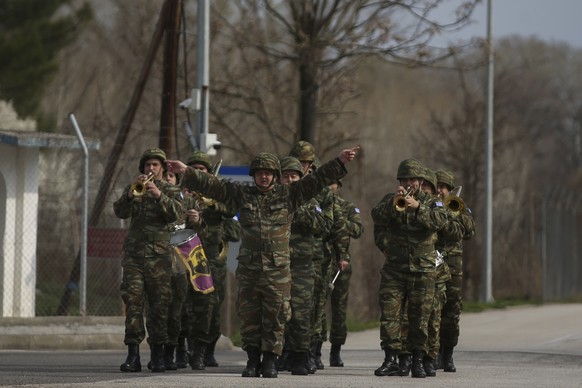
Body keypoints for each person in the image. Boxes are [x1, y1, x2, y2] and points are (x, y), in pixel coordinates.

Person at [166, 146, 358, 378]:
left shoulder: (289, 195)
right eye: (259, 172)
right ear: (253, 175)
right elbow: (213, 186)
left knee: (276, 316)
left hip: (278, 270)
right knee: (250, 316)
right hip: (249, 268)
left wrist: (339, 161)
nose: (264, 176)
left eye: (268, 173)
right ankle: (252, 360)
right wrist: (186, 171)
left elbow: (317, 180)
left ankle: (269, 360)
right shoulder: (242, 195)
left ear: (275, 176)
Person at [371, 158, 462, 378]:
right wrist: (393, 205)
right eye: (404, 178)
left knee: (420, 317)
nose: (409, 182)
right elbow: (377, 218)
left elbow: (443, 223)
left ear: (421, 181)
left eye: (412, 179)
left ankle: (419, 359)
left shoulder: (433, 202)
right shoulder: (391, 200)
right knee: (390, 316)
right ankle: (391, 358)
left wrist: (418, 207)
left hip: (423, 270)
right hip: (394, 268)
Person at [114, 148, 184, 373]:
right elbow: (119, 212)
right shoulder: (134, 188)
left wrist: (158, 195)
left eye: (155, 165)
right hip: (134, 256)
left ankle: (158, 355)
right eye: (147, 165)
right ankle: (133, 355)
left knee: (159, 306)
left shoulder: (171, 190)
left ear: (163, 168)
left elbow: (177, 214)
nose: (150, 168)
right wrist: (128, 196)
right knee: (133, 302)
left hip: (159, 257)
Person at [182, 151, 238, 370]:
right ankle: (186, 349)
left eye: (202, 169)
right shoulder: (180, 195)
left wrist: (211, 212)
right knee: (186, 307)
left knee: (211, 308)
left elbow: (234, 230)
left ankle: (206, 349)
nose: (197, 172)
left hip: (213, 260)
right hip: (186, 258)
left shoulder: (220, 198)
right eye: (193, 168)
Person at [278, 156, 331, 375]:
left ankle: (303, 354)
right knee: (279, 313)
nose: (290, 180)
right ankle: (281, 353)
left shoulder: (311, 201)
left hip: (302, 266)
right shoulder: (270, 200)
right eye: (285, 176)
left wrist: (297, 209)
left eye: (294, 176)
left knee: (301, 313)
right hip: (276, 265)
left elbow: (324, 225)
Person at [435, 169, 476, 373]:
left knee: (451, 312)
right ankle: (434, 353)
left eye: (443, 187)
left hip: (453, 267)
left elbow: (469, 230)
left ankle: (448, 355)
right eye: (437, 187)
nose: (440, 191)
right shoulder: (430, 206)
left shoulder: (459, 207)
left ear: (450, 190)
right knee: (433, 310)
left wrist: (456, 212)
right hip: (434, 264)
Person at [327, 180, 364, 367]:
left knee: (339, 310)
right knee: (313, 310)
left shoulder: (348, 207)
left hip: (339, 264)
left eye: (332, 183)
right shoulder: (317, 203)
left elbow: (358, 230)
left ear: (339, 186)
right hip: (319, 261)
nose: (329, 186)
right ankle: (312, 349)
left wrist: (340, 223)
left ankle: (336, 350)